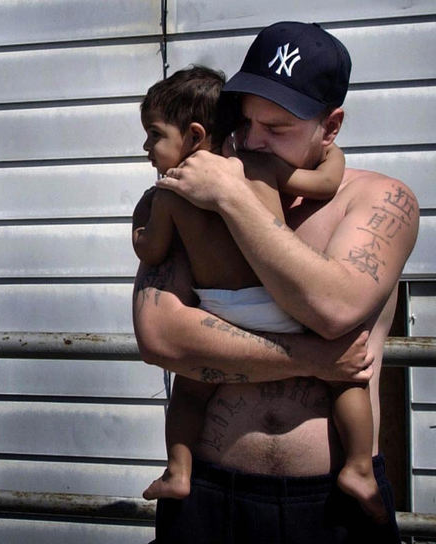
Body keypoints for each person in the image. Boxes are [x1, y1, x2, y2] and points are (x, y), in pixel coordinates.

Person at [134, 22, 418, 542]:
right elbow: (160, 336)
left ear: (330, 128)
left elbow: (332, 308)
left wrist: (235, 199)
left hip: (330, 498)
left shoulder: (379, 199)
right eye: (247, 121)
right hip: (211, 488)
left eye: (279, 127)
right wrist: (311, 360)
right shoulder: (199, 193)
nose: (253, 141)